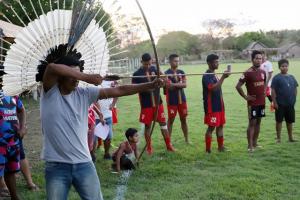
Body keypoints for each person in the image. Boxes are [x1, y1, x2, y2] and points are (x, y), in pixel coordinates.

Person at [36, 49, 166, 199]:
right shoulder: (50, 92)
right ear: (60, 77)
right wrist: (86, 77)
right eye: (72, 75)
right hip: (56, 165)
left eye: (78, 75)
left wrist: (150, 85)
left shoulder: (84, 93)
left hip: (84, 163)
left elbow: (119, 90)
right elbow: (52, 68)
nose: (76, 79)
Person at [132, 53, 175, 155]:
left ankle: (169, 146)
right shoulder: (137, 74)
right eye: (145, 64)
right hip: (146, 105)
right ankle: (149, 148)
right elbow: (133, 88)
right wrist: (146, 87)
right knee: (148, 126)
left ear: (151, 61)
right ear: (141, 62)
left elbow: (165, 78)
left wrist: (163, 81)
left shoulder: (155, 69)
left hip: (158, 103)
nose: (148, 66)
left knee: (163, 124)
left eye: (149, 63)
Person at [0, 65, 26, 200]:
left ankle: (15, 197)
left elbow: (21, 110)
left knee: (10, 171)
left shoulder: (12, 93)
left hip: (12, 141)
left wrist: (22, 127)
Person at [236, 50, 266, 152]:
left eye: (260, 58)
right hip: (252, 103)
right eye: (257, 58)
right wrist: (245, 96)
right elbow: (238, 86)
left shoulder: (263, 72)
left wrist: (264, 93)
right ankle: (250, 146)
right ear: (252, 59)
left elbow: (264, 84)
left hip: (261, 101)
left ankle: (255, 143)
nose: (259, 60)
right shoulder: (247, 72)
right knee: (252, 123)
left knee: (258, 122)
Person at [202, 54, 230, 153]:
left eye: (218, 61)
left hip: (219, 105)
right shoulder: (206, 76)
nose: (218, 63)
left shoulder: (214, 74)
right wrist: (223, 77)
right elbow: (213, 88)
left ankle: (220, 147)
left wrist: (222, 77)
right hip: (211, 106)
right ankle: (208, 150)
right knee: (211, 127)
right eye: (215, 62)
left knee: (220, 125)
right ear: (209, 63)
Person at [271, 59, 298, 143]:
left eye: (286, 66)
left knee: (290, 121)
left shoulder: (292, 77)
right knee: (279, 121)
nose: (284, 68)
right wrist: (274, 102)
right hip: (280, 104)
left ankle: (290, 137)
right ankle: (278, 138)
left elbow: (295, 88)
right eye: (282, 66)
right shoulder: (276, 78)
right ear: (279, 67)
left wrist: (294, 99)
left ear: (288, 67)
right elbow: (273, 91)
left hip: (290, 104)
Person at [164, 54, 189, 143]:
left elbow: (185, 85)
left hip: (182, 100)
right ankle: (169, 142)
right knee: (171, 120)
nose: (177, 62)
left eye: (178, 61)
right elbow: (168, 87)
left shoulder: (181, 72)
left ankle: (186, 139)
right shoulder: (166, 73)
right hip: (172, 101)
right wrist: (179, 84)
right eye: (175, 61)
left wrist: (174, 84)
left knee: (184, 120)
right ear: (170, 61)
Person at [95, 80, 118, 160]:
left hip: (108, 115)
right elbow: (94, 100)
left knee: (108, 137)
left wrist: (113, 104)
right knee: (93, 138)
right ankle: (92, 155)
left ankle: (107, 153)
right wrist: (99, 114)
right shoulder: (94, 81)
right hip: (95, 116)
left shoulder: (111, 81)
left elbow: (117, 93)